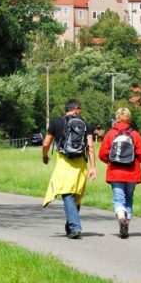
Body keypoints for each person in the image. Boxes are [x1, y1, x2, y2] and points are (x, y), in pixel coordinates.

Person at [42, 99, 97, 239]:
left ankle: (74, 227)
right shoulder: (85, 124)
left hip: (64, 163)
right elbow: (90, 147)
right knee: (75, 196)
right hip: (81, 164)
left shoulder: (55, 122)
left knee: (67, 194)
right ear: (76, 108)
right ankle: (71, 226)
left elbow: (46, 143)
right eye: (80, 109)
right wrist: (93, 167)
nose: (80, 112)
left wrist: (45, 156)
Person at [98, 107, 141, 239]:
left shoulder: (110, 134)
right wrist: (133, 161)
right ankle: (127, 222)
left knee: (118, 199)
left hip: (115, 172)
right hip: (132, 173)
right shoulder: (135, 134)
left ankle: (121, 219)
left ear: (117, 118)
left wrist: (111, 161)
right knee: (129, 198)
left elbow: (102, 154)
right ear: (129, 118)